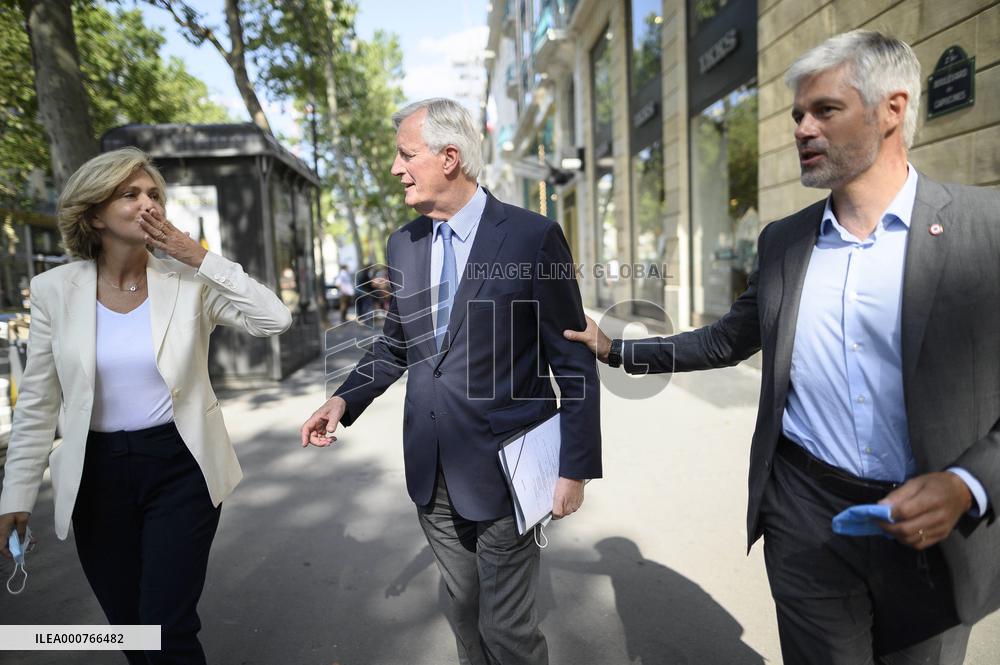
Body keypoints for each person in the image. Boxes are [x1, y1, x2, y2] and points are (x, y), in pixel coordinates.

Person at [565, 30, 1000, 664]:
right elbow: (725, 340)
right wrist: (616, 349)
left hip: (929, 527)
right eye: (798, 113)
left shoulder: (982, 230)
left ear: (893, 110)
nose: (802, 127)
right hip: (804, 518)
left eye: (825, 110)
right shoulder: (784, 242)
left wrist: (966, 484)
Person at [301, 98, 601, 665]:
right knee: (464, 614)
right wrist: (343, 399)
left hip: (510, 470)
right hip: (433, 469)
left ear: (450, 158)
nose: (396, 168)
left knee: (507, 630)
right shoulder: (403, 244)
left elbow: (573, 361)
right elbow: (396, 342)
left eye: (406, 154)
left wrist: (575, 467)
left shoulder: (533, 237)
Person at [0, 147, 292, 664]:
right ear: (94, 214)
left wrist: (197, 254)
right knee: (130, 629)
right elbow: (40, 403)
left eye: (154, 194)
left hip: (181, 467)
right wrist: (15, 494)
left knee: (165, 626)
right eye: (129, 194)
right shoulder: (53, 291)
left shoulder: (189, 282)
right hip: (97, 473)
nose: (148, 204)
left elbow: (274, 319)